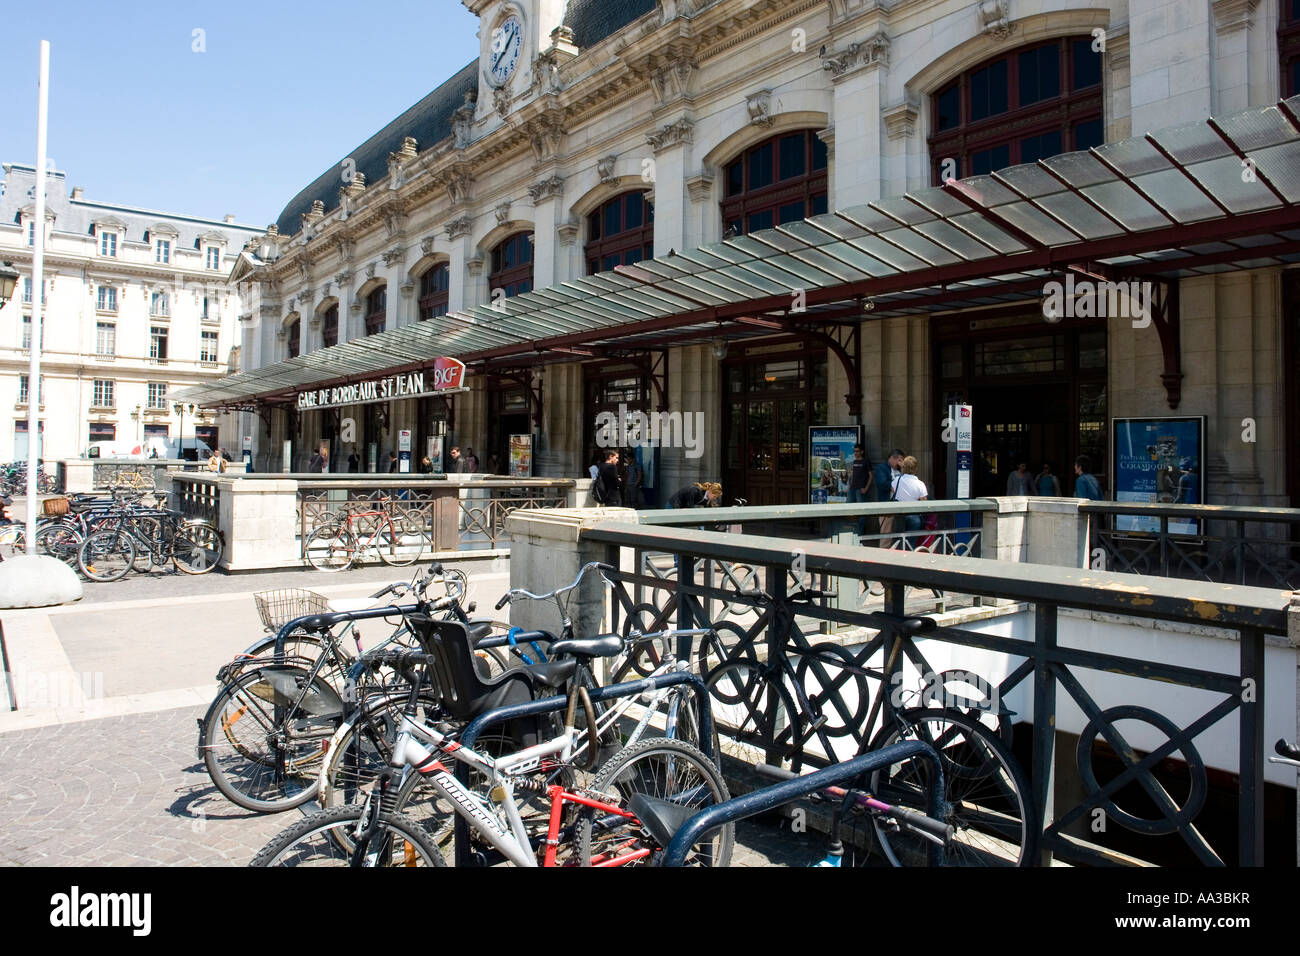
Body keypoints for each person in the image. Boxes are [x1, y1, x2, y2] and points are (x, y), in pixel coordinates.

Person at [890, 456, 929, 535]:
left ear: (903, 468)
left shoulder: (897, 480)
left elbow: (893, 491)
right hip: (914, 515)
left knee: (899, 540)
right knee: (911, 543)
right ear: (916, 468)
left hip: (899, 514)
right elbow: (924, 502)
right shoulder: (920, 484)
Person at [874, 449, 904, 536]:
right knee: (886, 532)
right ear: (893, 458)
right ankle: (885, 549)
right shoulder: (881, 468)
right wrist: (894, 485)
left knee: (900, 532)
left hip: (900, 505)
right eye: (900, 460)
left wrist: (903, 469)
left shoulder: (900, 470)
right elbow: (881, 484)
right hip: (887, 503)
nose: (901, 463)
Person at [847, 444, 874, 537]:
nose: (856, 453)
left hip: (860, 489)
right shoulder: (853, 462)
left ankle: (860, 533)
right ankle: (850, 532)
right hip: (852, 489)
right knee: (848, 510)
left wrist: (866, 488)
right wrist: (850, 486)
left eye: (857, 451)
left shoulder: (866, 461)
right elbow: (852, 475)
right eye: (854, 451)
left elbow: (871, 476)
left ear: (861, 452)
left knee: (861, 512)